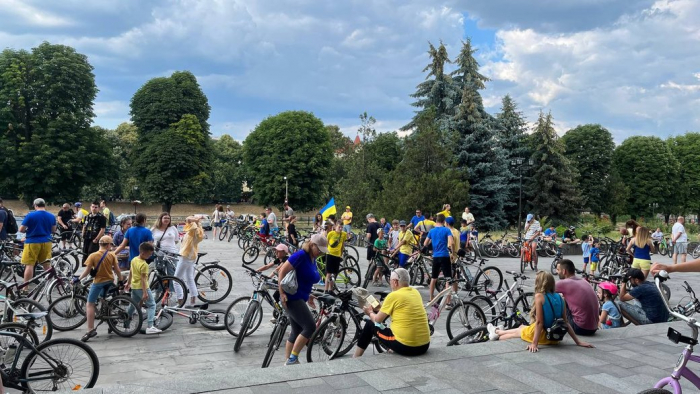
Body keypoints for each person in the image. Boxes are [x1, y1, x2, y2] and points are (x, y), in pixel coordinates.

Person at [488, 271, 594, 352]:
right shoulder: (560, 297)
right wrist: (578, 342)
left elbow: (539, 322)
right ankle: (497, 331)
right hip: (555, 337)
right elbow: (566, 322)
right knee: (521, 328)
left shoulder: (539, 296)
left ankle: (497, 333)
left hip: (544, 335)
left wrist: (534, 344)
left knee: (515, 333)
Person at [353, 268, 430, 357]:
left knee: (370, 324)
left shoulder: (393, 295)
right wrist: (379, 308)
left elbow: (377, 320)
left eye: (390, 281)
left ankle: (356, 357)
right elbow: (398, 308)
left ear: (395, 282)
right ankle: (390, 347)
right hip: (424, 345)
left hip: (407, 346)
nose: (390, 284)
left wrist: (369, 312)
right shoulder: (415, 292)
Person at [278, 234, 324, 366]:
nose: (320, 253)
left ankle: (288, 361)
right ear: (312, 245)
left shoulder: (312, 258)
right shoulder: (301, 255)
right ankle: (292, 359)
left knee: (296, 330)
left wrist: (308, 295)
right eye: (319, 250)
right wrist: (282, 293)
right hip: (292, 297)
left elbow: (304, 278)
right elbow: (282, 271)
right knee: (310, 327)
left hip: (301, 296)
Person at [73, 235, 123, 342]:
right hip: (109, 281)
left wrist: (78, 279)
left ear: (99, 244)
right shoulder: (112, 255)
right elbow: (117, 270)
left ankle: (90, 329)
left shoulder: (93, 256)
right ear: (109, 245)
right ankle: (109, 315)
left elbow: (86, 271)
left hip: (98, 282)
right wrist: (121, 280)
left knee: (89, 304)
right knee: (103, 298)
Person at [125, 242, 162, 335]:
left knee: (132, 306)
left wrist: (128, 283)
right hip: (142, 288)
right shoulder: (144, 264)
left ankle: (126, 325)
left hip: (134, 287)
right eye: (149, 254)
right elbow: (143, 279)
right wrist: (145, 292)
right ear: (143, 253)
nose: (150, 256)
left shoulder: (134, 260)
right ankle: (150, 326)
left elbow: (131, 272)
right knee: (152, 305)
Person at [555, 259, 599, 336]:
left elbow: (544, 290)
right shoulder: (584, 281)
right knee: (564, 298)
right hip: (594, 328)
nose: (556, 272)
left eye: (558, 270)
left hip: (580, 328)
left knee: (556, 299)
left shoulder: (564, 283)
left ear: (564, 271)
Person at [19, 198, 56, 285]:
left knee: (29, 265)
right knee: (47, 265)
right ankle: (51, 285)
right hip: (47, 241)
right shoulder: (51, 216)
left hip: (32, 242)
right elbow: (53, 230)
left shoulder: (30, 215)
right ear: (44, 205)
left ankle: (25, 288)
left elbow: (21, 229)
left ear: (35, 205)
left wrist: (29, 231)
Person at [424, 214, 455, 303]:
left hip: (436, 256)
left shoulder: (432, 231)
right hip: (445, 255)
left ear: (436, 221)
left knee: (433, 278)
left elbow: (425, 243)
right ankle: (448, 302)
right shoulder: (446, 230)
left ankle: (431, 298)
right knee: (447, 278)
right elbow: (452, 242)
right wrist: (452, 253)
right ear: (444, 221)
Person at [176, 215, 205, 307]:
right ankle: (193, 301)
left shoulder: (193, 229)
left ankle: (181, 302)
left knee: (176, 279)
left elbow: (188, 219)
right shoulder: (199, 230)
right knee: (189, 278)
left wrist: (196, 219)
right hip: (192, 256)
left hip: (185, 256)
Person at [325, 222, 347, 292]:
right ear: (335, 227)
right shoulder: (330, 233)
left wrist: (341, 254)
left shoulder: (343, 234)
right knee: (329, 273)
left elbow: (343, 244)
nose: (340, 229)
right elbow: (327, 243)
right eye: (339, 227)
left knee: (334, 273)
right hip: (330, 254)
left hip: (337, 255)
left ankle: (331, 290)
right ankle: (326, 290)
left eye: (341, 227)